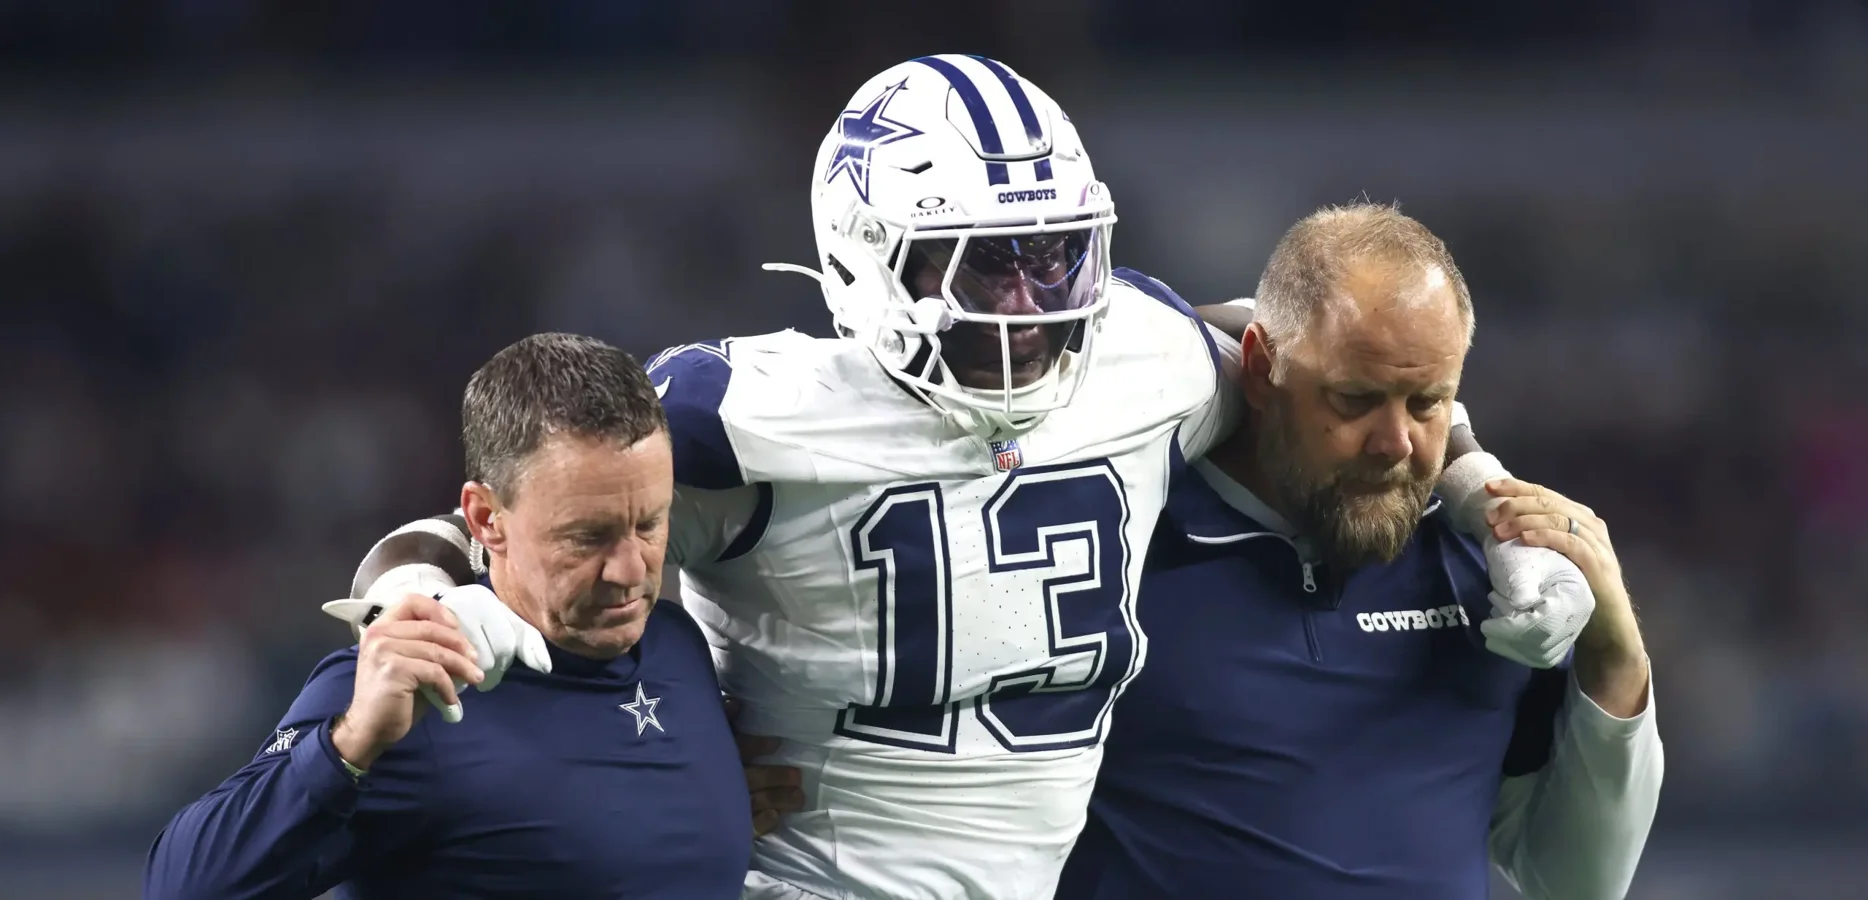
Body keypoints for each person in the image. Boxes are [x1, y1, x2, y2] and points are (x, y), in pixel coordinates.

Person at [334, 57, 1587, 900]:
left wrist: (1481, 497)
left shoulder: (1145, 354)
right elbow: (502, 527)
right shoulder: (752, 414)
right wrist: (416, 606)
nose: (1032, 302)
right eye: (987, 263)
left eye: (1052, 254)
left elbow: (1338, 371)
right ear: (866, 255)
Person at [1054, 203, 1662, 899]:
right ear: (1260, 368)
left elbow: (1578, 882)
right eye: (1355, 398)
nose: (1395, 443)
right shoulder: (1118, 547)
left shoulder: (1492, 576)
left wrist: (1615, 651)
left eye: (1427, 402)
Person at [145, 334, 753, 900]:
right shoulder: (408, 688)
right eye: (586, 537)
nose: (630, 569)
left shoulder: (678, 645)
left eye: (649, 523)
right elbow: (179, 887)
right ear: (486, 519)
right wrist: (350, 743)